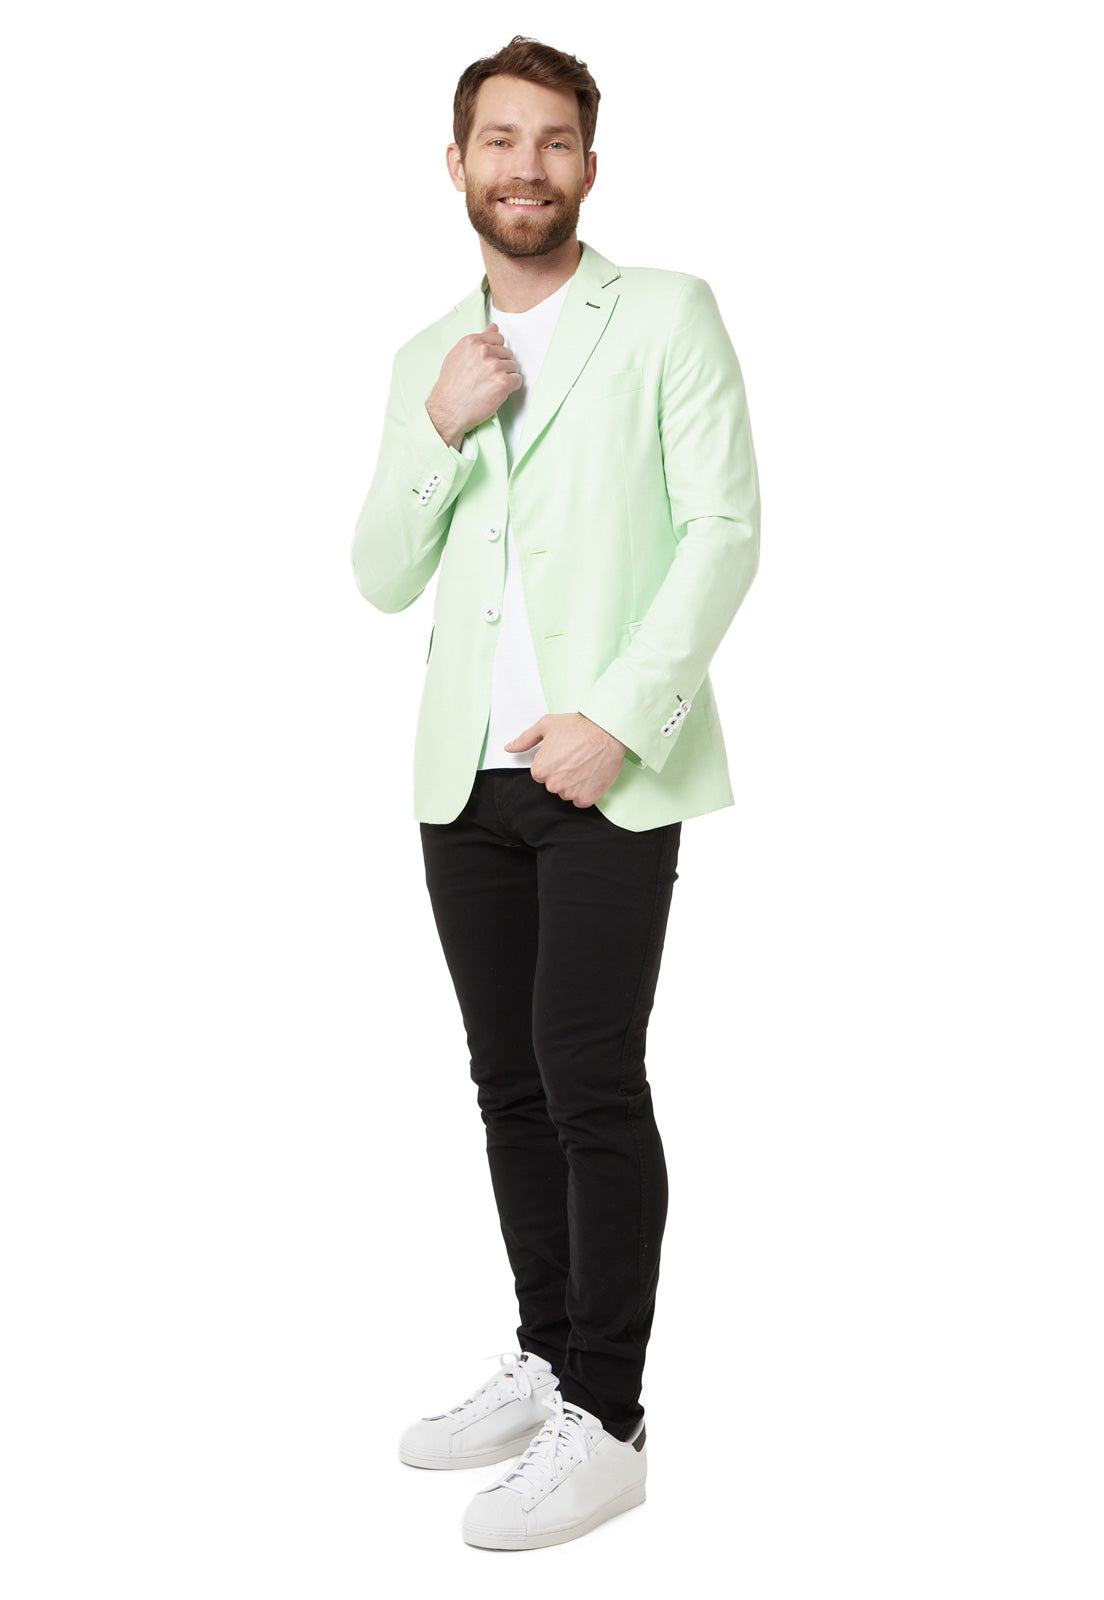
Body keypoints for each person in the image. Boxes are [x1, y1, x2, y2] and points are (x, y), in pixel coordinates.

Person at [350, 34, 760, 1551]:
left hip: (603, 773)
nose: (526, 167)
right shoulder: (428, 356)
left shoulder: (663, 314)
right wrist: (439, 427)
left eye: (554, 142)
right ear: (455, 163)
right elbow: (380, 573)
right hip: (461, 774)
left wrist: (619, 720)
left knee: (589, 1078)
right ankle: (545, 1356)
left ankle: (612, 1416)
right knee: (506, 1083)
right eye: (499, 141)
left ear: (590, 164)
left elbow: (724, 530)